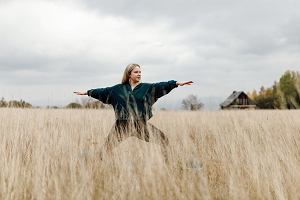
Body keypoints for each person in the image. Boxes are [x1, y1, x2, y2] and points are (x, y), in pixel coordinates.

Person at [74, 63, 193, 162]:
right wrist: (87, 92)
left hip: (140, 124)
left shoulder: (146, 88)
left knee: (164, 140)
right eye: (136, 72)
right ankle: (99, 166)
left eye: (140, 72)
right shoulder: (117, 89)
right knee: (106, 149)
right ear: (129, 74)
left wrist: (176, 83)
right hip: (122, 125)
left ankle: (168, 165)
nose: (139, 74)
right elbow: (102, 92)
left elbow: (161, 86)